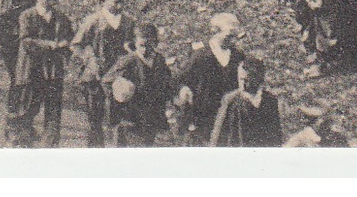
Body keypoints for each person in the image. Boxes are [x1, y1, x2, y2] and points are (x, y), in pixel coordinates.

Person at [6, 0, 73, 147]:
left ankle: (49, 146)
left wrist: (65, 47)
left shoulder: (62, 19)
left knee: (53, 111)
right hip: (31, 69)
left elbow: (70, 40)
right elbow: (26, 41)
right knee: (28, 107)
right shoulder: (27, 16)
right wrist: (50, 45)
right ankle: (20, 139)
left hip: (53, 71)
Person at [72, 0, 133, 147]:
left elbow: (133, 47)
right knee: (95, 116)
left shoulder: (128, 22)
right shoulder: (94, 20)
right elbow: (77, 44)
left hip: (117, 75)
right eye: (115, 1)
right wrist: (89, 59)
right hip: (95, 75)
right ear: (104, 1)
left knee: (117, 115)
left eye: (122, 2)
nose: (119, 5)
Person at [172, 12, 244, 144]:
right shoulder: (200, 55)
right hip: (203, 116)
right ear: (215, 31)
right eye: (228, 36)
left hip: (228, 116)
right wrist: (184, 89)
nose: (232, 40)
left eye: (234, 36)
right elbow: (179, 79)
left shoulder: (238, 56)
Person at [103, 23, 172, 147]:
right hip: (130, 116)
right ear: (135, 43)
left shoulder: (159, 60)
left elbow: (167, 83)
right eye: (141, 45)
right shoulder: (128, 61)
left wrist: (167, 101)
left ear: (155, 43)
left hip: (151, 115)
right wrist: (121, 90)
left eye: (148, 46)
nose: (144, 49)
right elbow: (107, 81)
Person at [210, 56, 283, 147]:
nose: (243, 84)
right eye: (241, 79)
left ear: (258, 79)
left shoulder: (270, 101)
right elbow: (217, 136)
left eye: (247, 80)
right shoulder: (230, 101)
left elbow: (276, 136)